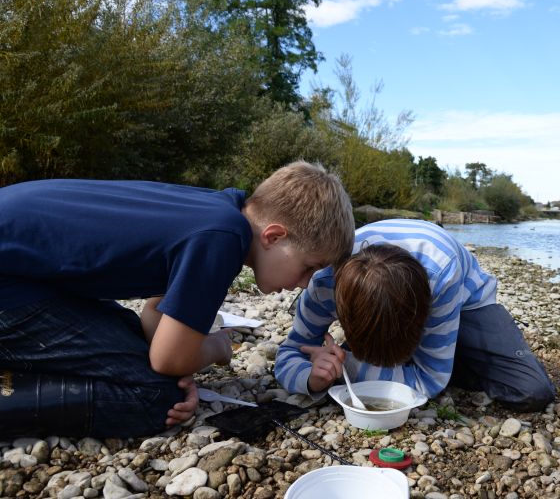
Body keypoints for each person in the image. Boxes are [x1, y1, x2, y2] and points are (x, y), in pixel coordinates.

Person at [0, 160, 354, 439]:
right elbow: (169, 359)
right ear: (274, 236)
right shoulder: (222, 239)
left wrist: (179, 360)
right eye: (309, 267)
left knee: (136, 349)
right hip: (12, 285)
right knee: (157, 399)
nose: (305, 284)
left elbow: (152, 318)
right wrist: (215, 349)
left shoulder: (218, 210)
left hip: (28, 274)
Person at [275, 219, 555, 412]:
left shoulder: (441, 275)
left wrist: (346, 366)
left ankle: (446, 353)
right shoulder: (324, 283)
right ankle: (435, 355)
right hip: (389, 294)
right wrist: (312, 378)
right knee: (424, 369)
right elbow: (289, 352)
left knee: (531, 389)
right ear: (343, 314)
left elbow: (429, 382)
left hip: (466, 300)